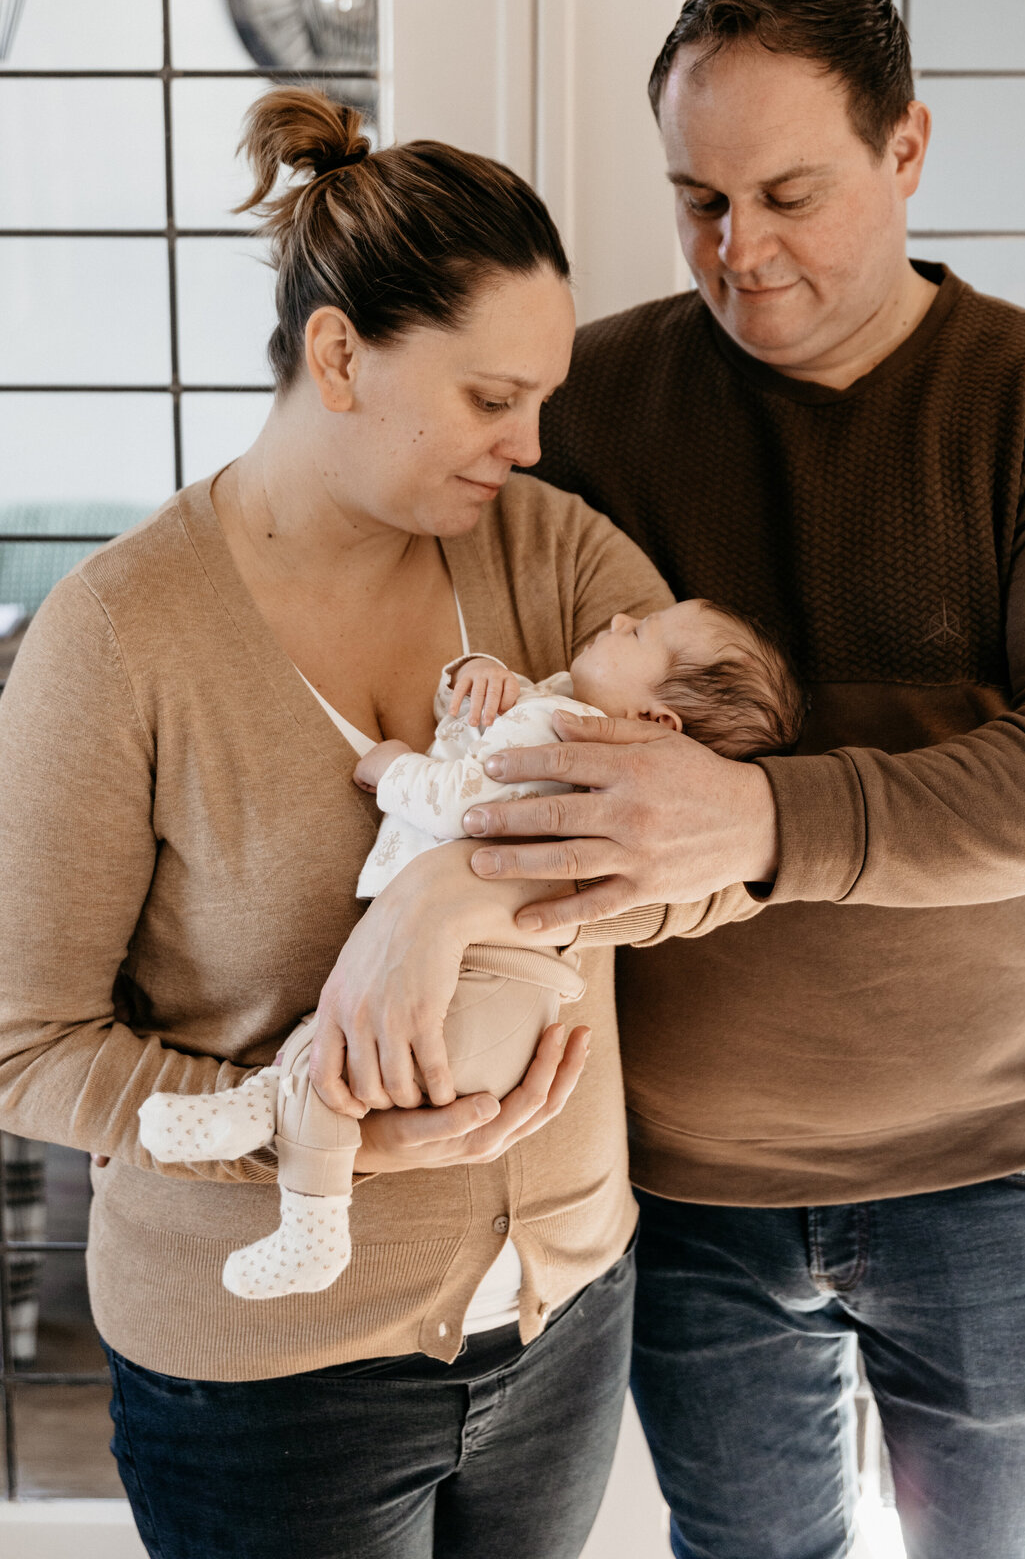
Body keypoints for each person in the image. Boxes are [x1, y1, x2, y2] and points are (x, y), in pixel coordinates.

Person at [443, 0, 1025, 1558]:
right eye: (700, 202)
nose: (743, 253)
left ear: (907, 147)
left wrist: (762, 820)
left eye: (790, 194)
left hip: (996, 1175)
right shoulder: (591, 407)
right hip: (686, 1189)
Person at [0, 87, 757, 1559]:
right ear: (338, 356)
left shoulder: (552, 559)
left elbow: (717, 854)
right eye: (491, 401)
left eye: (541, 399)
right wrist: (321, 1139)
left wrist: (459, 896)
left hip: (562, 1315)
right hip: (268, 1387)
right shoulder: (119, 638)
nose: (532, 447)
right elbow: (25, 1049)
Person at [137, 604, 802, 1302]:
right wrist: (472, 675)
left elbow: (466, 804)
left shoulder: (562, 737)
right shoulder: (573, 721)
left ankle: (312, 1227)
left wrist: (393, 771)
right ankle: (263, 1107)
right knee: (329, 1056)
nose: (620, 614)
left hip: (482, 985)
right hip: (509, 993)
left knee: (334, 1058)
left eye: (638, 633)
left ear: (656, 723)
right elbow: (482, 731)